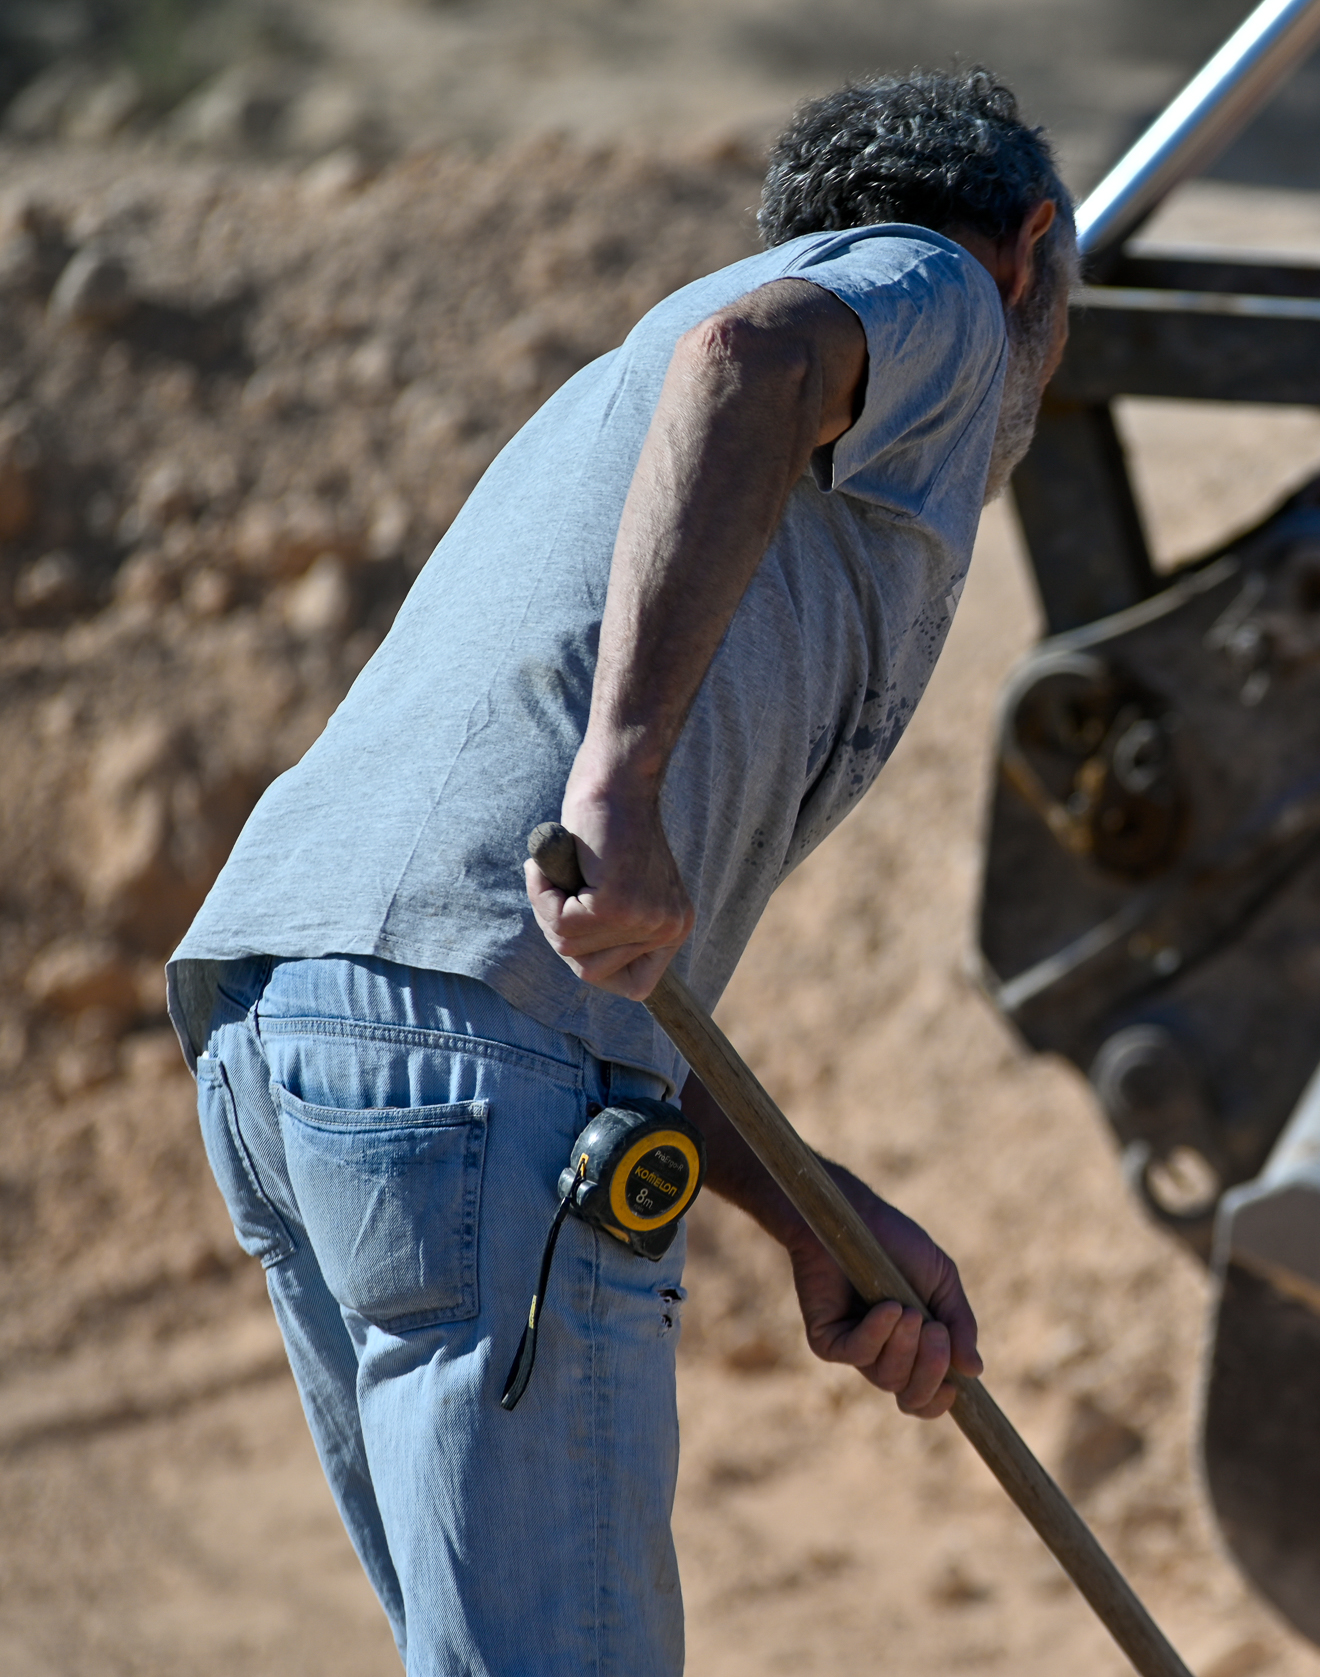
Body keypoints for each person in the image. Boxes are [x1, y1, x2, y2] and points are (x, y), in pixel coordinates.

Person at [166, 68, 1075, 1675]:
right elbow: (756, 362)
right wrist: (624, 767)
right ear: (1033, 250)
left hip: (289, 1041)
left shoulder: (646, 410)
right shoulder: (933, 289)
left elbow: (573, 965)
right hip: (454, 1077)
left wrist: (810, 1211)